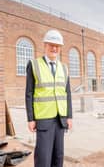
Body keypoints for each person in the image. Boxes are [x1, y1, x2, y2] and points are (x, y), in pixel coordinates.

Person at [25, 29, 72, 167]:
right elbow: (29, 93)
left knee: (58, 156)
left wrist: (69, 116)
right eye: (51, 44)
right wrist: (31, 118)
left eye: (57, 46)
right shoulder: (34, 65)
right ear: (45, 45)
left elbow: (67, 93)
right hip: (43, 119)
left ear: (60, 48)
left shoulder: (64, 68)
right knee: (43, 158)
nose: (54, 48)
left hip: (61, 119)